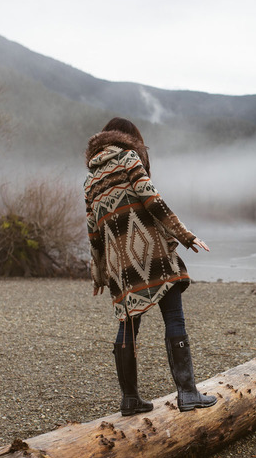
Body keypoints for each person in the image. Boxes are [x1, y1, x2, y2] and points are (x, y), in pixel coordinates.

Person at [85, 117, 217, 415]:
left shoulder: (90, 180)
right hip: (151, 254)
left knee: (129, 324)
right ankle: (187, 394)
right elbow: (153, 201)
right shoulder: (130, 159)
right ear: (130, 139)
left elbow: (93, 233)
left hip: (120, 265)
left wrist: (98, 274)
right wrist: (186, 235)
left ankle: (130, 400)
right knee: (173, 316)